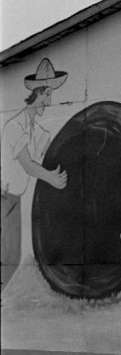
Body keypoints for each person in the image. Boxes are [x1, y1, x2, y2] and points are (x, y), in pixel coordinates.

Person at [1, 58, 69, 289]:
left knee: (12, 257)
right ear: (37, 93)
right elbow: (28, 165)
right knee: (8, 256)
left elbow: (46, 156)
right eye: (47, 95)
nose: (49, 102)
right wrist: (51, 177)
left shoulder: (37, 130)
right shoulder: (14, 125)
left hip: (15, 199)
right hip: (3, 198)